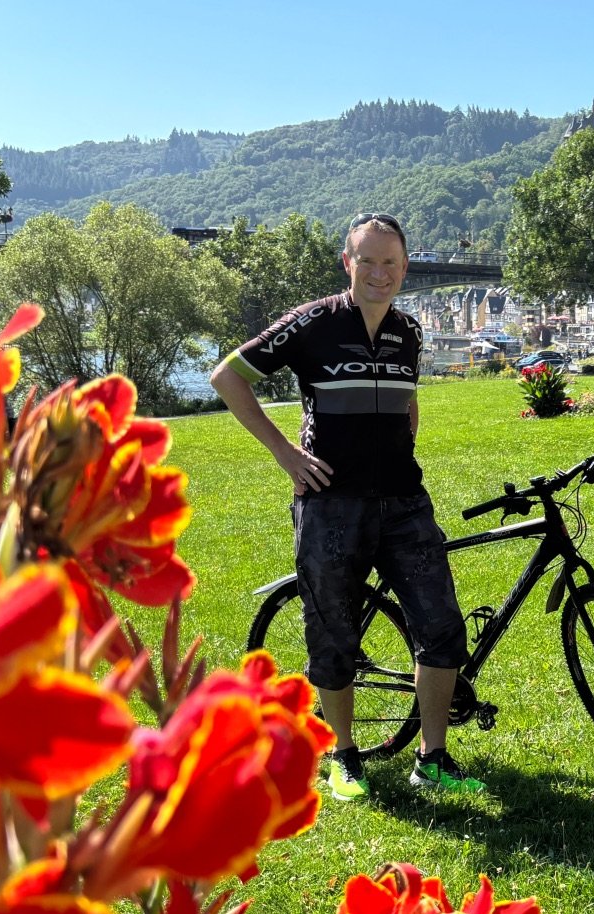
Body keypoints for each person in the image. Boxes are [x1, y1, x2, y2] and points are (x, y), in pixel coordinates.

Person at [209, 212, 483, 799]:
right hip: (331, 504)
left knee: (440, 628)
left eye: (391, 262)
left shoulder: (407, 331)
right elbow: (228, 376)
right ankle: (345, 755)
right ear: (348, 263)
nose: (380, 272)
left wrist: (400, 442)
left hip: (405, 502)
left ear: (404, 268)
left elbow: (408, 406)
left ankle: (432, 757)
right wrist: (286, 453)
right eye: (368, 260)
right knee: (332, 635)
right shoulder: (310, 324)